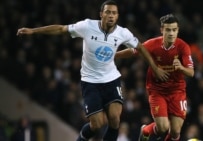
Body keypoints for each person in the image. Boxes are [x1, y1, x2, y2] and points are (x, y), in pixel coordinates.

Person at [16, 0, 169, 141]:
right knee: (97, 124)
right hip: (90, 81)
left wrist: (155, 67)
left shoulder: (123, 33)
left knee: (115, 118)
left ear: (117, 16)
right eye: (108, 12)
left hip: (111, 79)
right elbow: (61, 29)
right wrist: (33, 31)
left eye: (114, 13)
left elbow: (140, 47)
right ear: (101, 14)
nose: (111, 15)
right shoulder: (87, 26)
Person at [115, 13, 194, 141]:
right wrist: (113, 55)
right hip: (157, 91)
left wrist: (181, 68)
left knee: (175, 132)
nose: (171, 33)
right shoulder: (153, 44)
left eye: (174, 30)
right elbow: (134, 51)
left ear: (178, 30)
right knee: (163, 127)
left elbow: (191, 72)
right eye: (168, 30)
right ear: (162, 30)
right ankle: (145, 130)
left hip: (177, 91)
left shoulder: (183, 47)